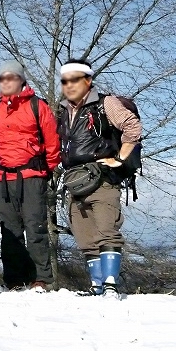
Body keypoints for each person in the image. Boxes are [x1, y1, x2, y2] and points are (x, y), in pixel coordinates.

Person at [57, 58, 142, 297]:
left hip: (103, 178)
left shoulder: (106, 104)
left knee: (107, 231)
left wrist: (120, 158)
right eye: (65, 80)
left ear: (88, 80)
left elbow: (132, 126)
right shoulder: (64, 111)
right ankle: (96, 285)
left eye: (75, 79)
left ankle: (111, 285)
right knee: (84, 236)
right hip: (75, 181)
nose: (69, 85)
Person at [0, 60, 61, 291]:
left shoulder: (38, 106)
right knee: (9, 229)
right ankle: (15, 279)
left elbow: (52, 142)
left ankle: (41, 279)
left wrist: (44, 170)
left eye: (11, 77)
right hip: (4, 179)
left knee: (35, 226)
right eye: (2, 78)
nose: (6, 82)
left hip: (32, 176)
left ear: (21, 80)